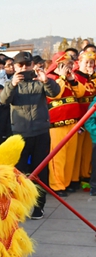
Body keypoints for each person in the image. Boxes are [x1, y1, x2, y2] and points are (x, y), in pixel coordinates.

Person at [0, 51, 61, 219]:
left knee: (41, 170)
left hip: (41, 132)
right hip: (20, 134)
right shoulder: (11, 82)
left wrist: (46, 80)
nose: (25, 68)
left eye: (28, 65)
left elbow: (55, 92)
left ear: (33, 65)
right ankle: (19, 204)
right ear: (15, 67)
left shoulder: (40, 80)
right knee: (19, 172)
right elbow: (4, 100)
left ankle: (38, 206)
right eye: (21, 65)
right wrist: (12, 84)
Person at [45, 52, 86, 196]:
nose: (70, 66)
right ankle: (56, 186)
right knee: (58, 157)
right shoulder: (50, 79)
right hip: (57, 125)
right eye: (66, 64)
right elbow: (55, 94)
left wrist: (71, 80)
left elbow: (81, 93)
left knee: (70, 157)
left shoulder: (69, 79)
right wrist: (62, 77)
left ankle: (67, 182)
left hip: (72, 123)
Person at [73, 51, 95, 191]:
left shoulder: (93, 78)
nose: (89, 65)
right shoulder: (75, 77)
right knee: (76, 150)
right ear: (79, 62)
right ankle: (75, 178)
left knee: (89, 150)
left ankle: (86, 175)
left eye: (91, 63)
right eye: (86, 62)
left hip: (92, 117)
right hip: (79, 116)